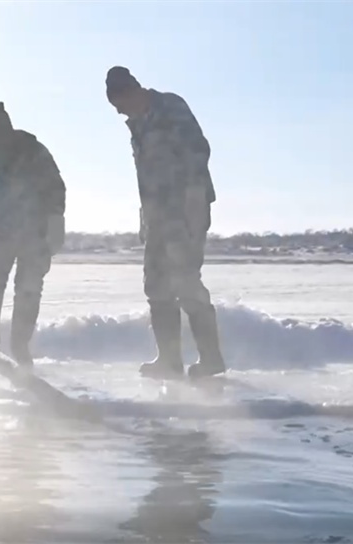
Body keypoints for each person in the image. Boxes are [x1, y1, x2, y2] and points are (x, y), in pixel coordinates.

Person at [104, 66, 225, 380]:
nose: (120, 113)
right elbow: (146, 176)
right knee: (156, 286)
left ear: (133, 92)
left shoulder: (170, 107)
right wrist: (145, 219)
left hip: (185, 210)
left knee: (185, 282)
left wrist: (193, 202)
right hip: (158, 216)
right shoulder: (138, 125)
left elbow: (198, 150)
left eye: (120, 105)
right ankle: (169, 360)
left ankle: (211, 359)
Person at [0, 101, 66, 367]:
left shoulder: (34, 150)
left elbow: (56, 188)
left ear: (6, 127)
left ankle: (20, 346)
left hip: (34, 234)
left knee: (28, 291)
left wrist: (55, 224)